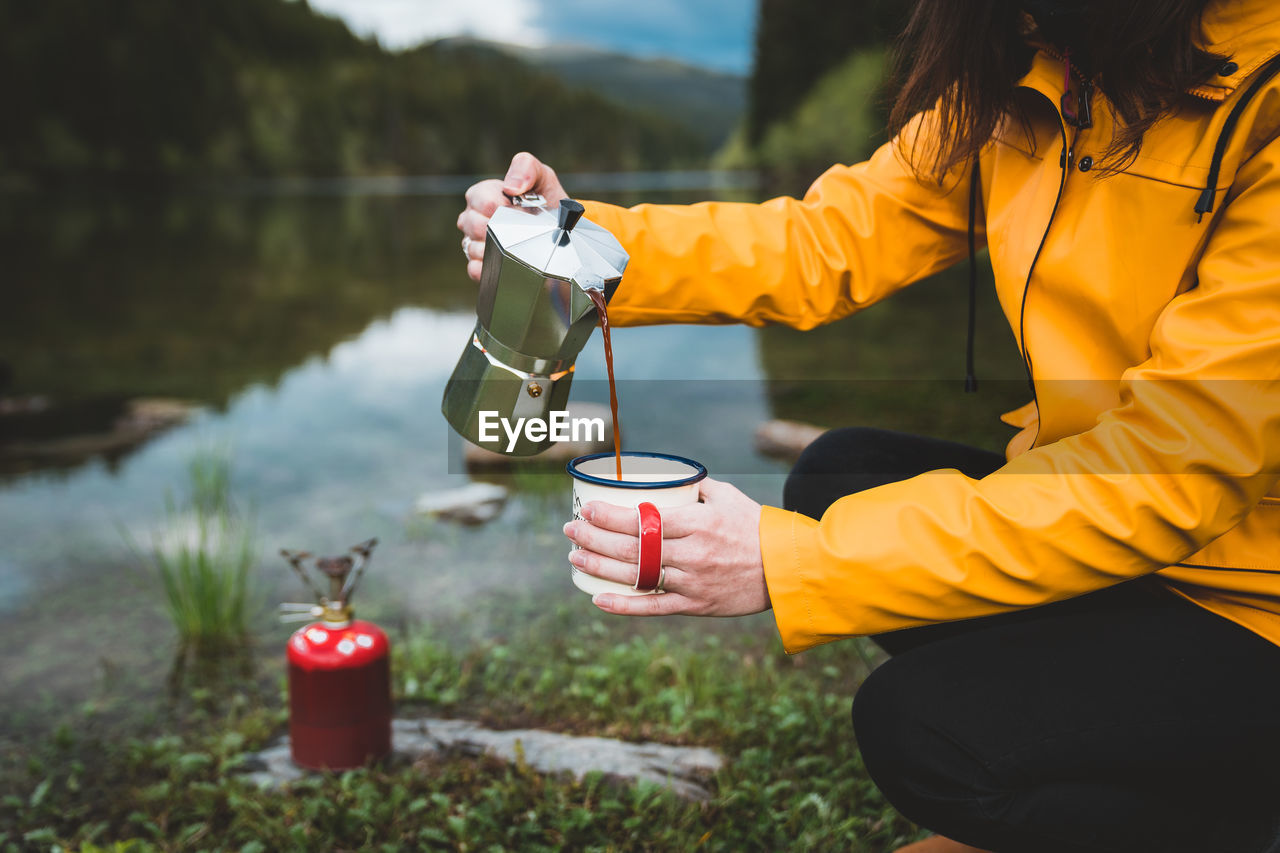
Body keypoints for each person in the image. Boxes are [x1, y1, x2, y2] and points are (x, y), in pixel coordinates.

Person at [457, 1, 1280, 850]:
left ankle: (1225, 822)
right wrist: (579, 243)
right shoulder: (1039, 74)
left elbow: (1176, 466)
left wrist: (791, 562)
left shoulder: (1267, 102)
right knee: (837, 475)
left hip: (1255, 601)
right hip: (1121, 548)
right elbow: (827, 240)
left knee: (922, 730)